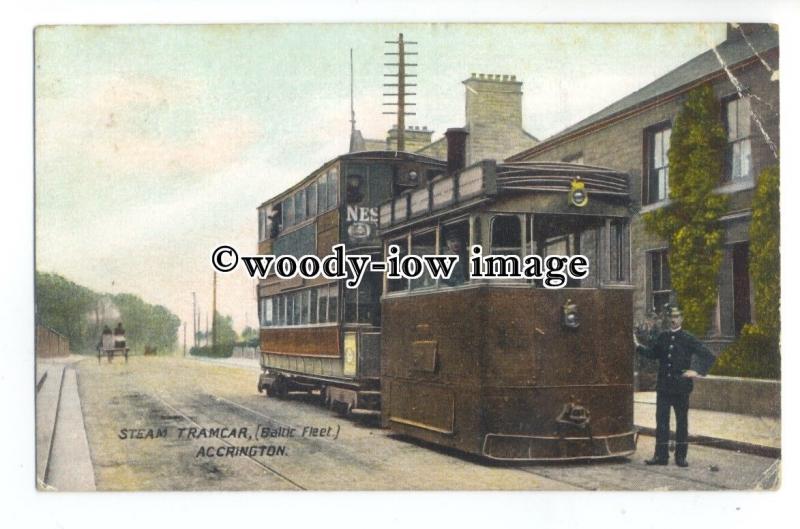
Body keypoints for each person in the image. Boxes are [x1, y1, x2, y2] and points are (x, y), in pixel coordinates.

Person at [634, 306, 715, 467]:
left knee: (681, 423)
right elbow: (652, 353)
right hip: (664, 388)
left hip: (681, 388)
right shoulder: (663, 337)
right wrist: (637, 346)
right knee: (662, 423)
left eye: (677, 316)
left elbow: (708, 355)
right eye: (671, 316)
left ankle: (680, 457)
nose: (673, 319)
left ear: (681, 319)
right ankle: (661, 457)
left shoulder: (688, 338)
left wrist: (696, 371)